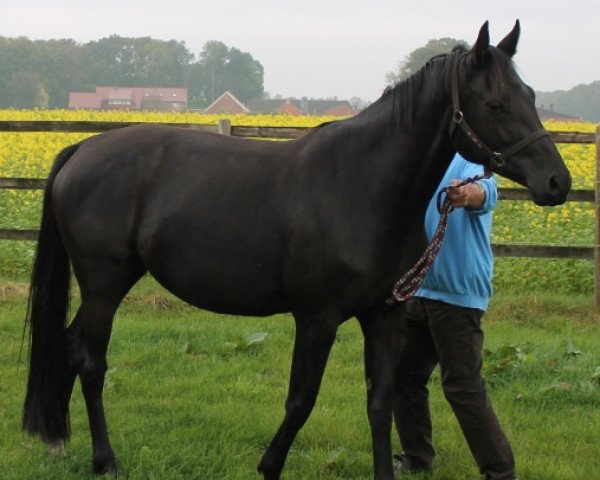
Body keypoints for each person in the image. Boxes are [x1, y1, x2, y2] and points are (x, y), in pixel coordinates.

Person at [393, 152, 517, 480]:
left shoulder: (468, 159)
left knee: (462, 385)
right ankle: (417, 457)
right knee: (402, 376)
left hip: (457, 297)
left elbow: (486, 190)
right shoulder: (420, 156)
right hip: (418, 289)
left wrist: (466, 194)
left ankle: (501, 473)